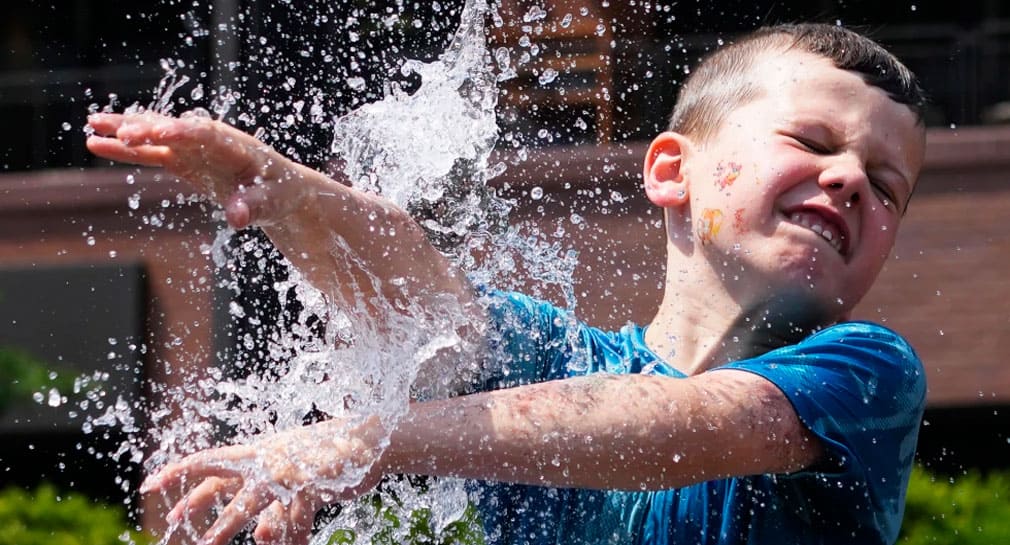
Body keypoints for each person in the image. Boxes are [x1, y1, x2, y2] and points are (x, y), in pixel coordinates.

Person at [86, 22, 928, 545]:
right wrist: (293, 196)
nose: (851, 179)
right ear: (672, 171)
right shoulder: (562, 359)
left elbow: (693, 424)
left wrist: (366, 440)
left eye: (886, 186)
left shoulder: (867, 372)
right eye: (813, 142)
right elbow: (416, 301)